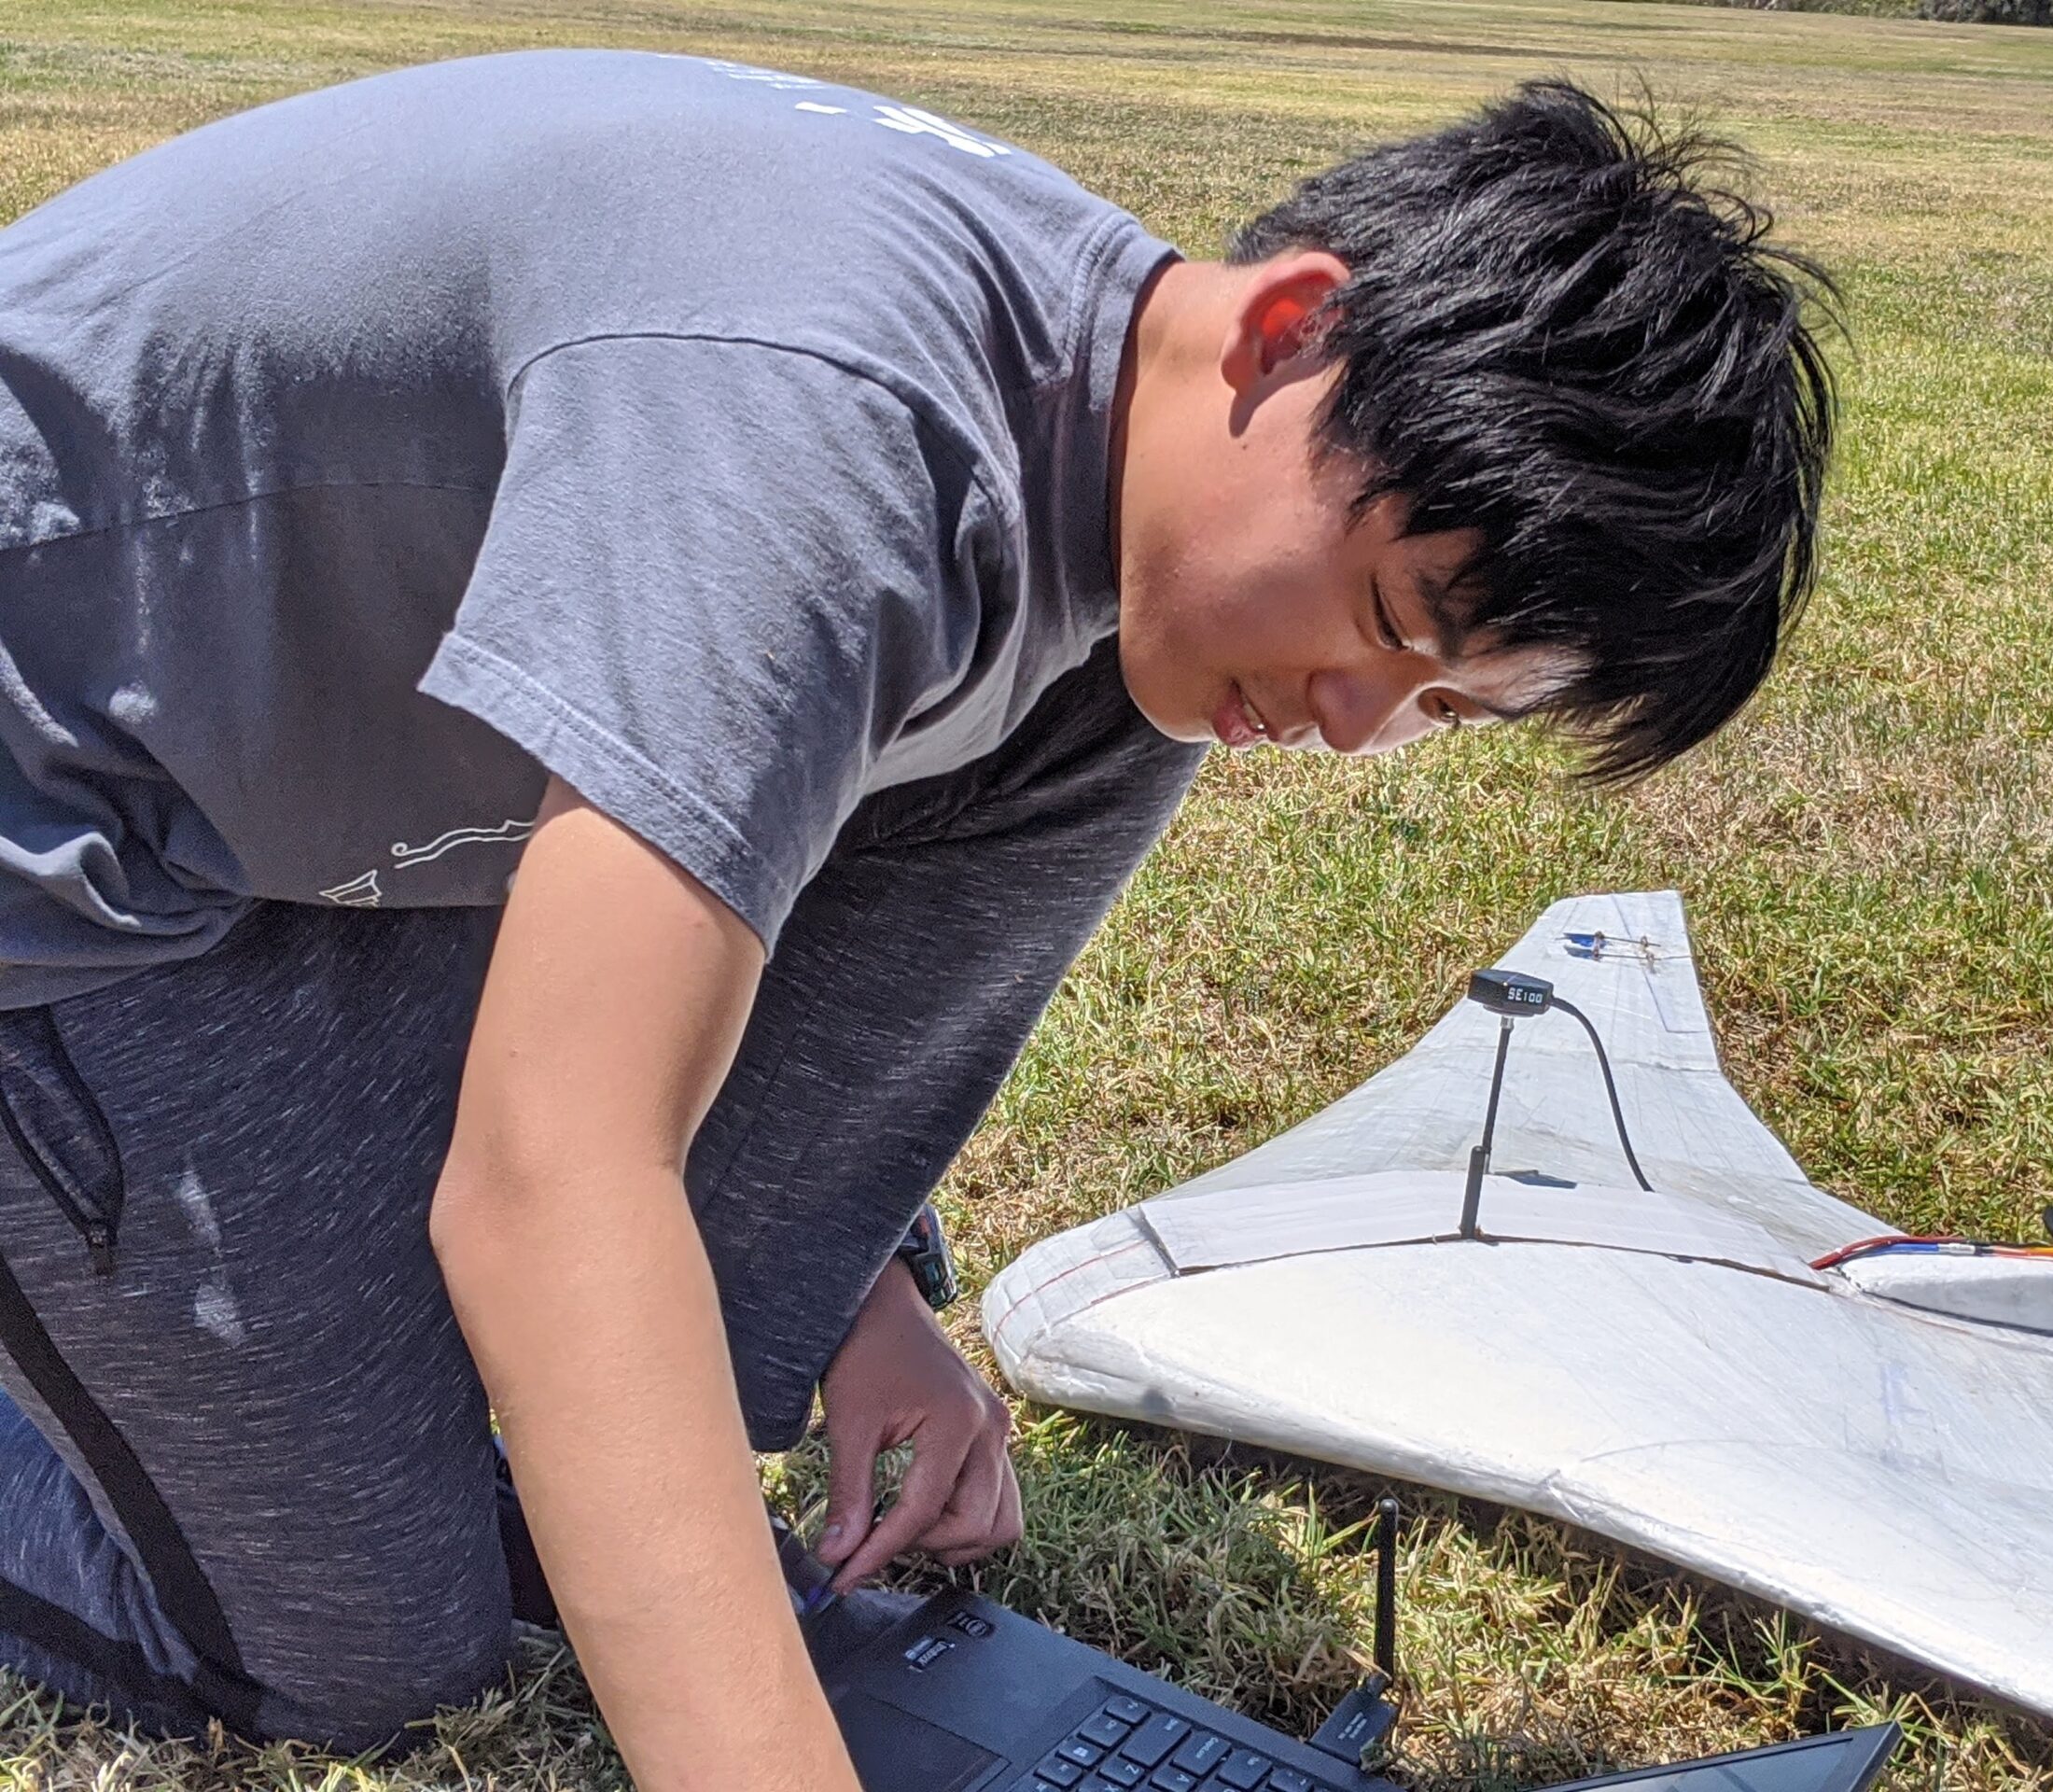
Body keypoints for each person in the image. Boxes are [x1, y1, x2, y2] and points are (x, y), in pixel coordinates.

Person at [0, 48, 1835, 1791]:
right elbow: (548, 1178)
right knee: (364, 1650)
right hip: (72, 830)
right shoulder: (831, 424)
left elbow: (775, 836)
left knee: (1126, 706)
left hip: (339, 784)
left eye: (1443, 711)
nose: (1352, 724)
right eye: (1391, 625)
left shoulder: (1105, 461)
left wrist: (860, 1289)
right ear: (1288, 329)